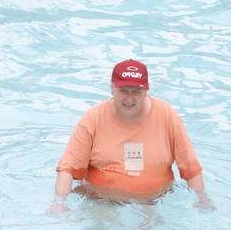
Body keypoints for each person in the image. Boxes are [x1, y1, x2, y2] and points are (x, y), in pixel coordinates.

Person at [48, 59, 213, 213]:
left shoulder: (166, 115)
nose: (129, 98)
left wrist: (202, 198)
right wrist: (59, 202)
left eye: (136, 91)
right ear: (112, 88)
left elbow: (189, 165)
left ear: (146, 90)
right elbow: (68, 168)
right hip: (101, 200)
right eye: (123, 91)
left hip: (156, 201)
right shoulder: (93, 118)